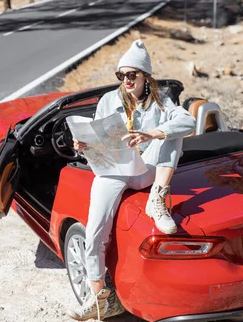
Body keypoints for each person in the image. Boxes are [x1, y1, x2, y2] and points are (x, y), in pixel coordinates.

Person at [67, 39, 196, 321]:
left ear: (144, 76)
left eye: (131, 74)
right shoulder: (108, 101)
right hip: (113, 168)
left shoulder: (162, 101)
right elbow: (97, 136)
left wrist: (154, 133)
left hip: (146, 170)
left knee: (172, 137)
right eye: (121, 75)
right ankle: (100, 297)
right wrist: (84, 146)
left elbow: (189, 123)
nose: (125, 80)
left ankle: (157, 200)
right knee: (95, 231)